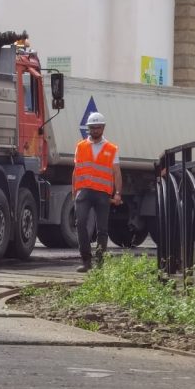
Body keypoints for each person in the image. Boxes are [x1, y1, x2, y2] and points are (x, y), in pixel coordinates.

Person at [72, 111, 122, 273]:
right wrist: (74, 191)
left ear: (103, 128)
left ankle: (99, 263)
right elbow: (75, 170)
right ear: (88, 128)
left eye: (98, 127)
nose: (95, 130)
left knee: (102, 229)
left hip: (102, 193)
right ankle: (86, 261)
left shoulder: (111, 148)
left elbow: (117, 172)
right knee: (80, 223)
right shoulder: (80, 146)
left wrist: (118, 193)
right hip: (84, 192)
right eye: (92, 128)